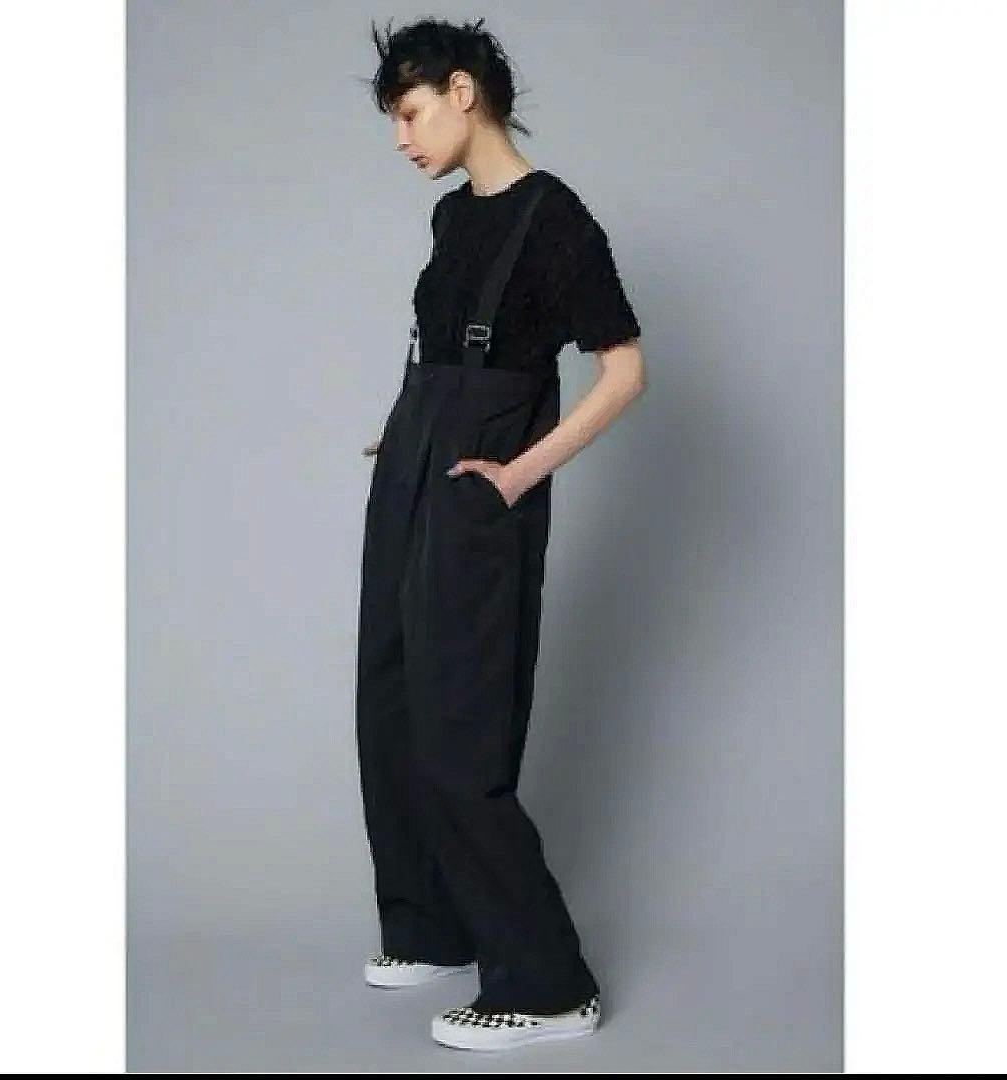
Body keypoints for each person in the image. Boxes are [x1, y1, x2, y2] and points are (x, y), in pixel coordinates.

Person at [355, 16, 646, 1051]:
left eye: (410, 113)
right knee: (390, 701)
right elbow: (439, 351)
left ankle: (548, 983)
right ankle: (433, 925)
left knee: (459, 722)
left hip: (486, 486)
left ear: (463, 92)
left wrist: (518, 474)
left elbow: (625, 372)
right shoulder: (451, 217)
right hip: (414, 471)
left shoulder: (556, 219)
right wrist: (402, 438)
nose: (401, 138)